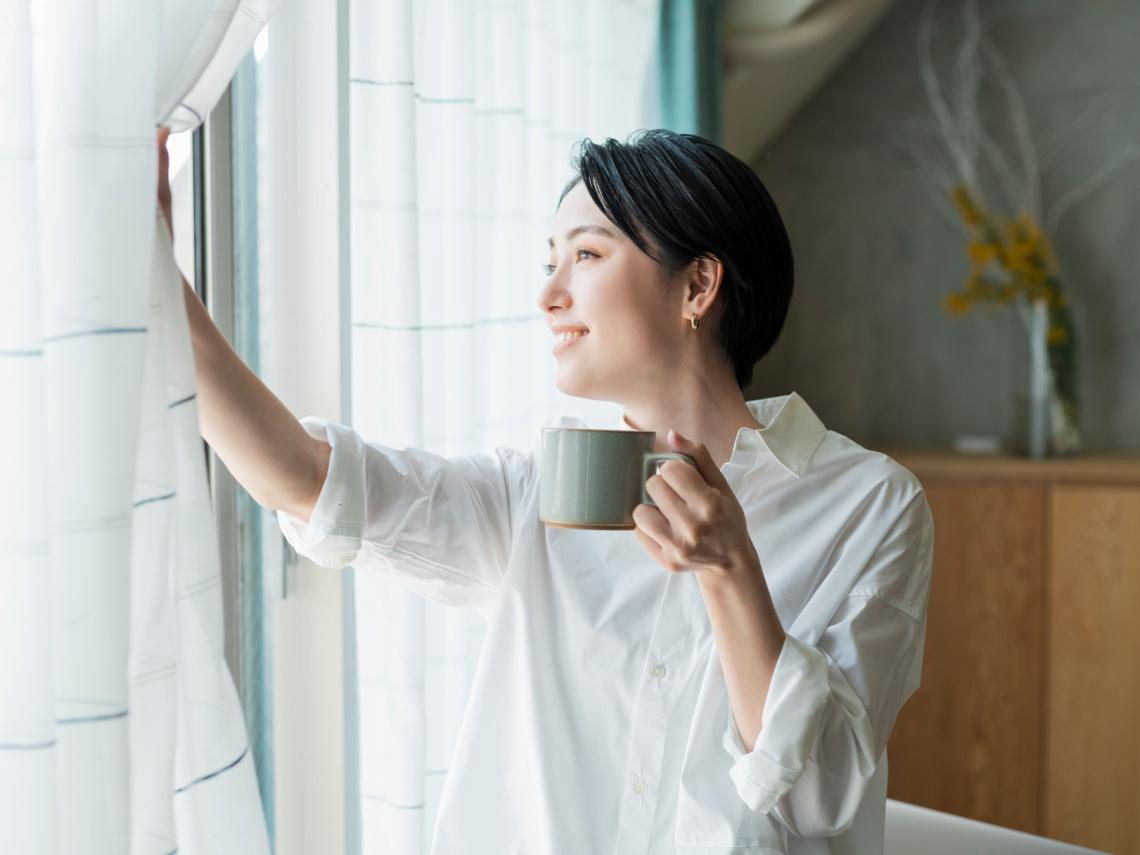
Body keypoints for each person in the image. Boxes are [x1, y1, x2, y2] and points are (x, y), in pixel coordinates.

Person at [160, 126, 934, 854]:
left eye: (587, 256)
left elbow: (822, 796)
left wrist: (732, 572)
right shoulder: (535, 491)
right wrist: (163, 285)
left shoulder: (870, 505)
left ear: (698, 284)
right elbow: (309, 483)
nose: (549, 296)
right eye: (550, 260)